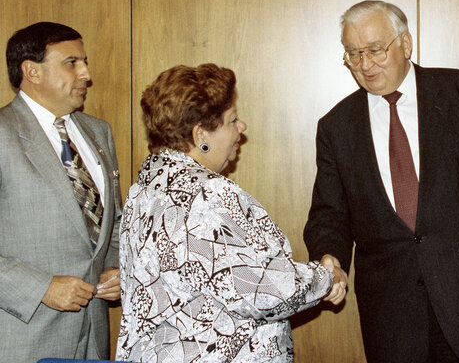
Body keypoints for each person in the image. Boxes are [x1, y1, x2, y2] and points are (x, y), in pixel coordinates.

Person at [304, 0, 459, 362]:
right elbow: (328, 213)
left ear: (406, 44)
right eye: (352, 54)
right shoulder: (336, 127)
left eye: (375, 50)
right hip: (392, 321)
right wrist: (329, 258)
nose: (365, 65)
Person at [117, 63, 347, 363]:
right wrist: (325, 277)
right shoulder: (206, 194)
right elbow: (262, 292)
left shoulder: (146, 187)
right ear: (201, 134)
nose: (242, 127)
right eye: (231, 120)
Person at [0, 22, 122, 360]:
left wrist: (115, 268)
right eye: (72, 62)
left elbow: (114, 223)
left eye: (84, 61)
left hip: (92, 338)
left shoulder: (98, 132)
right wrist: (41, 288)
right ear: (32, 71)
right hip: (21, 340)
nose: (86, 74)